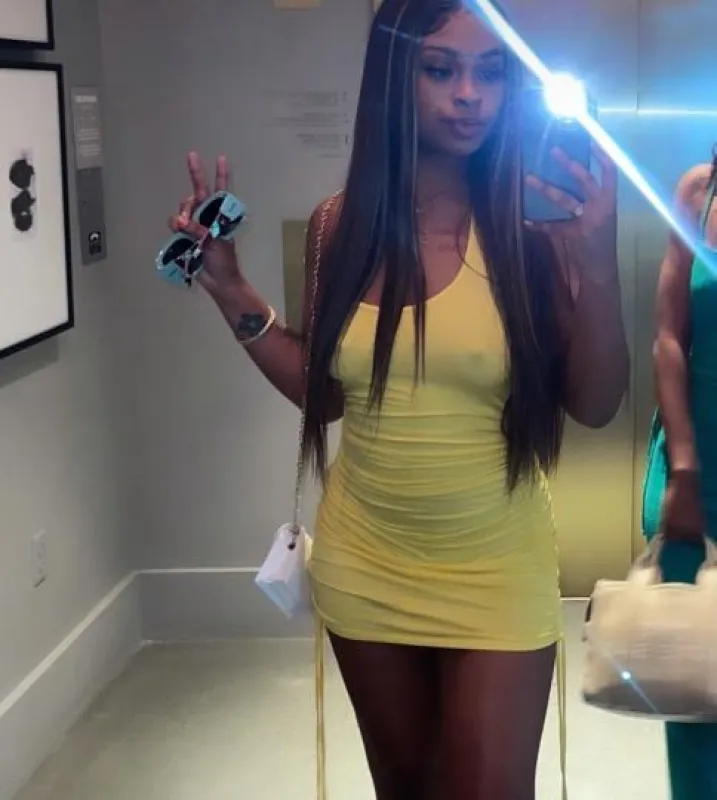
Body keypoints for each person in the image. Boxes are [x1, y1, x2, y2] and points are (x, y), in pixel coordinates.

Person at [167, 1, 629, 797]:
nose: (469, 95)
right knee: (405, 787)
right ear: (394, 77)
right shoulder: (338, 227)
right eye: (440, 69)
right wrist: (231, 290)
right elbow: (324, 397)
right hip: (366, 564)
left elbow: (594, 403)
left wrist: (596, 260)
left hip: (496, 567)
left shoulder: (528, 229)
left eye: (490, 74)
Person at [642, 150, 717, 799]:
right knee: (697, 688)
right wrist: (684, 470)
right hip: (698, 467)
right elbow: (668, 336)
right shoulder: (701, 188)